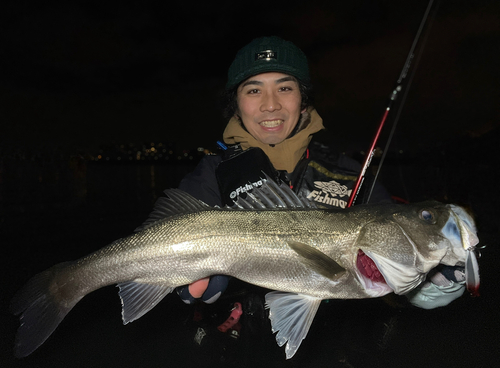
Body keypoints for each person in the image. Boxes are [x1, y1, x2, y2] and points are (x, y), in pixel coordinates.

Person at [174, 36, 465, 314]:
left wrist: (425, 285)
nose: (270, 104)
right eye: (253, 90)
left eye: (285, 88)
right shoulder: (213, 174)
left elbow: (393, 278)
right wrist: (178, 283)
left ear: (303, 100)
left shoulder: (352, 176)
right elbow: (162, 246)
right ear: (235, 105)